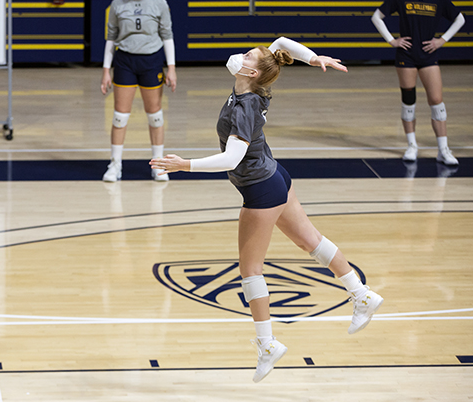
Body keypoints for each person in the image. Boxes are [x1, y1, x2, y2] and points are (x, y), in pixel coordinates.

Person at [150, 37, 384, 383]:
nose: (241, 54)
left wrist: (185, 165)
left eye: (247, 55)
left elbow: (232, 158)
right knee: (312, 242)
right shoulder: (252, 87)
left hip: (261, 189)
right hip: (274, 176)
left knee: (250, 271)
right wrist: (313, 57)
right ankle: (362, 295)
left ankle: (268, 344)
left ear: (252, 71)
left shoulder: (246, 105)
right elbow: (280, 43)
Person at [371, 0, 465, 165]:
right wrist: (391, 40)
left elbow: (460, 18)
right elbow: (376, 17)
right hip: (406, 56)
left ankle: (443, 149)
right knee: (409, 102)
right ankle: (412, 146)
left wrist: (442, 41)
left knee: (436, 102)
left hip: (429, 56)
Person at [100, 0, 177, 182]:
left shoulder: (158, 3)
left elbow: (167, 35)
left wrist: (171, 68)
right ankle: (115, 165)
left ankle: (158, 165)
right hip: (124, 61)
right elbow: (111, 38)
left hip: (151, 61)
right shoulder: (117, 5)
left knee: (155, 116)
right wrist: (106, 70)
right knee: (119, 117)